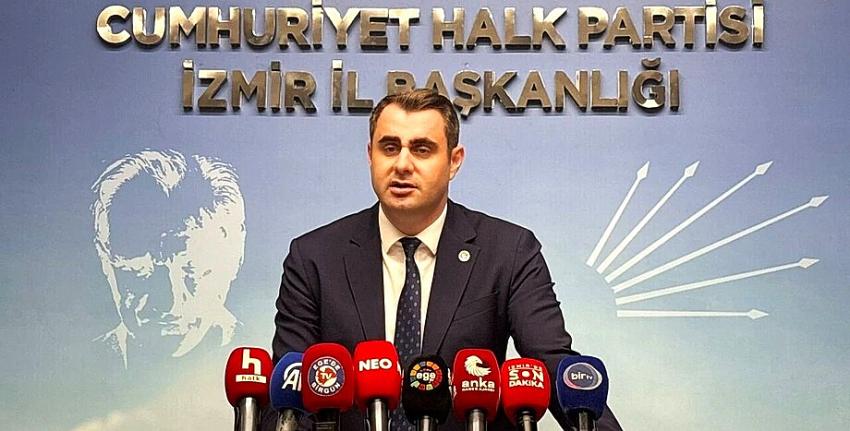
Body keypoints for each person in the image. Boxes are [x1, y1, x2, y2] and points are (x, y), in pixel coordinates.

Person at [266, 90, 621, 430]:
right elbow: (288, 390)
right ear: (370, 155)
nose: (402, 164)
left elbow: (555, 367)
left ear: (454, 161)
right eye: (389, 148)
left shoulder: (509, 250)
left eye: (422, 149)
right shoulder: (314, 256)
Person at [92, 150, 245, 367]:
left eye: (191, 273)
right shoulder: (77, 364)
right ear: (105, 261)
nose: (168, 304)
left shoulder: (277, 366)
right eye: (138, 272)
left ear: (235, 258)